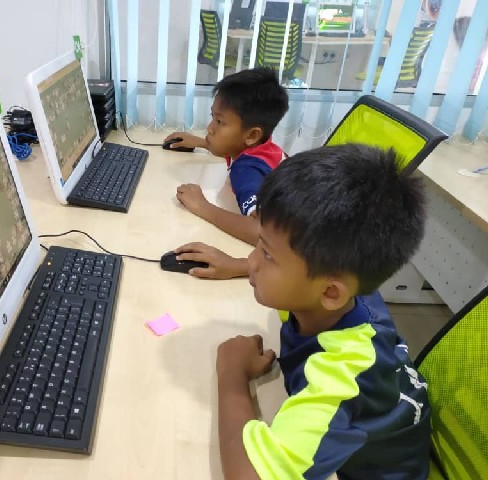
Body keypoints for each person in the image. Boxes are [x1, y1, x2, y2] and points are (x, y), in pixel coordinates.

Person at [216, 144, 431, 479]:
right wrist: (237, 266)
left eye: (267, 254)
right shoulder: (349, 294)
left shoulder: (344, 374)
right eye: (259, 244)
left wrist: (232, 374)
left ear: (330, 292)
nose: (253, 261)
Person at [164, 67, 289, 246]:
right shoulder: (263, 147)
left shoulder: (247, 171)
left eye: (220, 121)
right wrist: (202, 142)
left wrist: (202, 207)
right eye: (212, 116)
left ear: (252, 135)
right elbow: (237, 148)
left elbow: (262, 232)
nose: (210, 128)